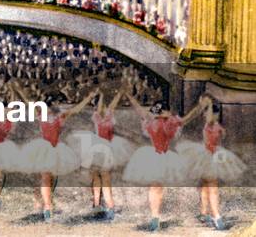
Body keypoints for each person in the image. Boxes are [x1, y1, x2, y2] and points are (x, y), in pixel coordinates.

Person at [123, 94, 209, 231]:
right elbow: (188, 118)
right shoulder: (168, 122)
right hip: (161, 156)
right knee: (156, 187)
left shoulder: (155, 121)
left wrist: (131, 98)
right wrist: (201, 106)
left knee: (155, 187)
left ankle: (155, 217)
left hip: (157, 156)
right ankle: (155, 217)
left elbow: (140, 110)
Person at [16, 87, 96, 222]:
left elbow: (76, 110)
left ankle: (45, 203)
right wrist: (20, 91)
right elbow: (28, 102)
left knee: (48, 179)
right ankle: (47, 207)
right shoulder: (40, 114)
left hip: (55, 149)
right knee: (44, 177)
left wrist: (88, 98)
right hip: (43, 149)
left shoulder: (60, 117)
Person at [176, 98, 247, 230]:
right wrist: (207, 104)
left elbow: (220, 138)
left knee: (206, 184)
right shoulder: (208, 124)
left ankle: (204, 212)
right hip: (207, 155)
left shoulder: (216, 125)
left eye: (216, 114)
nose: (214, 116)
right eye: (211, 113)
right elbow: (209, 121)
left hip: (215, 154)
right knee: (212, 186)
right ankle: (216, 216)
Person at [67, 91, 133, 220]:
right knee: (96, 178)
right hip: (97, 149)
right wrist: (101, 96)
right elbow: (101, 108)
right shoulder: (96, 116)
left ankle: (109, 207)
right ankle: (97, 205)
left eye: (103, 106)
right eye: (100, 106)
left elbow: (111, 106)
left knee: (105, 179)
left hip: (107, 148)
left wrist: (117, 95)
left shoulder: (109, 116)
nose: (102, 108)